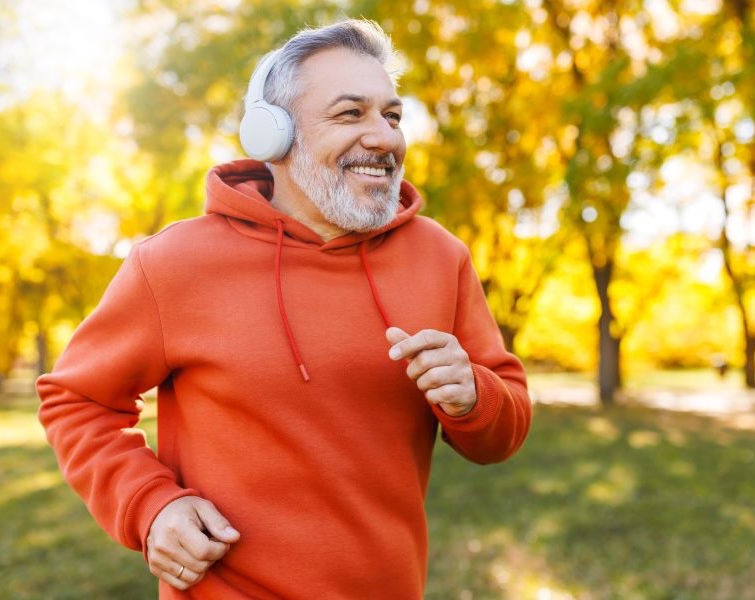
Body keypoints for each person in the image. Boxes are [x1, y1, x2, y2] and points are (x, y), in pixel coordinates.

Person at [37, 18, 532, 599]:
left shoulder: (440, 257)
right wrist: (150, 505)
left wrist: (473, 394)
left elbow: (502, 433)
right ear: (272, 134)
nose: (385, 138)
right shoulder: (173, 261)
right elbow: (77, 400)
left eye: (392, 116)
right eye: (351, 114)